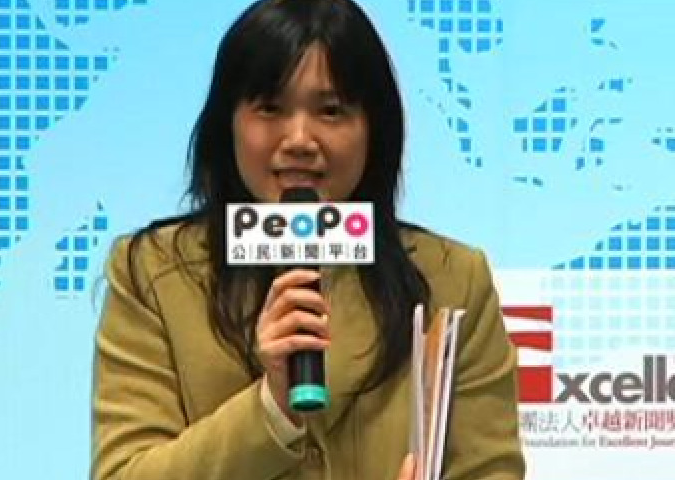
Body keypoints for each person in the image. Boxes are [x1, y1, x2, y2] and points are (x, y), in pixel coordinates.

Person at [91, 0, 526, 478]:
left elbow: (492, 470)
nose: (299, 139)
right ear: (227, 122)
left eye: (331, 111)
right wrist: (270, 406)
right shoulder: (153, 273)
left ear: (375, 128)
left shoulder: (452, 279)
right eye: (270, 108)